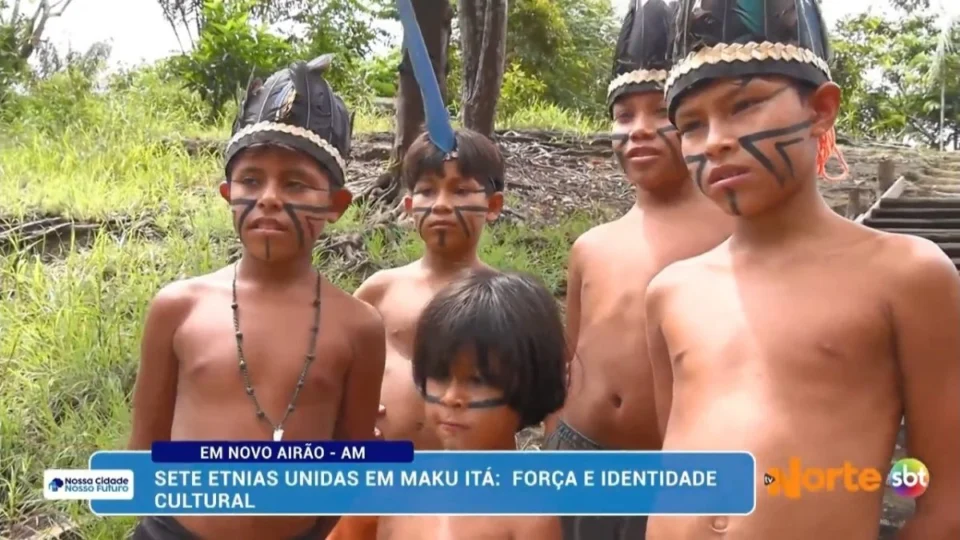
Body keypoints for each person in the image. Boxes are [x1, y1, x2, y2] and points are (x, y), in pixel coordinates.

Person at [644, 1, 960, 539]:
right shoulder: (671, 292)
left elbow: (945, 500)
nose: (716, 139)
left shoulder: (906, 275)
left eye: (745, 106)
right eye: (691, 125)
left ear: (821, 111)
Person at [127, 55, 386, 540]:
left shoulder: (359, 327)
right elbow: (144, 451)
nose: (268, 197)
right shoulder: (177, 309)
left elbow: (355, 468)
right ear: (228, 193)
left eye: (294, 183)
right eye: (251, 180)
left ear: (336, 205)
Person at [542, 1, 732, 537]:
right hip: (574, 459)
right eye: (624, 115)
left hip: (669, 469)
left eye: (660, 114)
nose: (639, 130)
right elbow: (570, 357)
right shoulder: (591, 245)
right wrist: (555, 428)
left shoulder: (734, 235)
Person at [328, 128, 505, 540]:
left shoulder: (506, 300)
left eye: (461, 191)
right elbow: (336, 372)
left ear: (493, 206)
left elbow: (542, 393)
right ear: (408, 206)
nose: (441, 205)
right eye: (426, 191)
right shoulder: (379, 290)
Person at [376, 270, 565, 539]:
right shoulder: (398, 494)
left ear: (530, 380)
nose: (452, 397)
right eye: (440, 376)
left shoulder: (528, 515)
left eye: (477, 380)